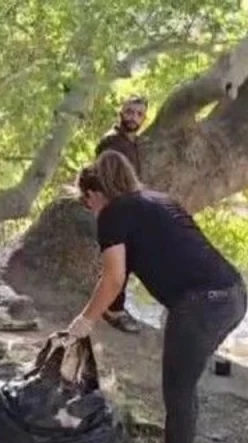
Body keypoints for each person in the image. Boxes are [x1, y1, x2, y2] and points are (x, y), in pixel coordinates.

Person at [67, 151, 246, 443]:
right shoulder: (156, 201)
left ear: (94, 195)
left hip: (201, 304)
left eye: (88, 204)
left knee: (178, 390)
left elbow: (114, 277)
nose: (92, 212)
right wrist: (102, 313)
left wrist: (84, 320)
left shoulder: (114, 213)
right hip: (233, 295)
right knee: (183, 385)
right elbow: (129, 271)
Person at [93, 95, 149, 334]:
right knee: (121, 262)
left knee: (126, 260)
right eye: (129, 112)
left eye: (138, 114)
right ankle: (113, 310)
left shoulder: (133, 142)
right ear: (121, 113)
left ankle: (112, 304)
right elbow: (103, 175)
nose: (133, 117)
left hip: (130, 207)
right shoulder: (111, 142)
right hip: (116, 208)